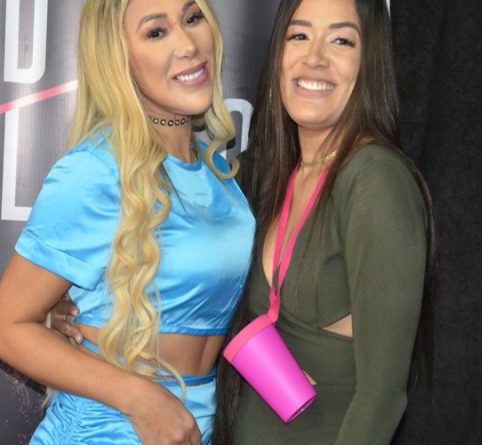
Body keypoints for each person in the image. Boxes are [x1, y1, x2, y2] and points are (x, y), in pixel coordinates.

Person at [52, 0, 435, 443]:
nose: (315, 58)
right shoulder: (261, 177)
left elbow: (382, 398)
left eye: (341, 41)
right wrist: (65, 305)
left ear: (370, 61)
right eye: (299, 35)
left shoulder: (375, 180)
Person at [0, 0, 255, 444]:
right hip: (105, 429)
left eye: (192, 18)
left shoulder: (217, 172)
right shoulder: (96, 169)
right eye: (156, 32)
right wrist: (140, 398)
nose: (188, 44)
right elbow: (5, 329)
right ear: (118, 57)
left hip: (195, 428)